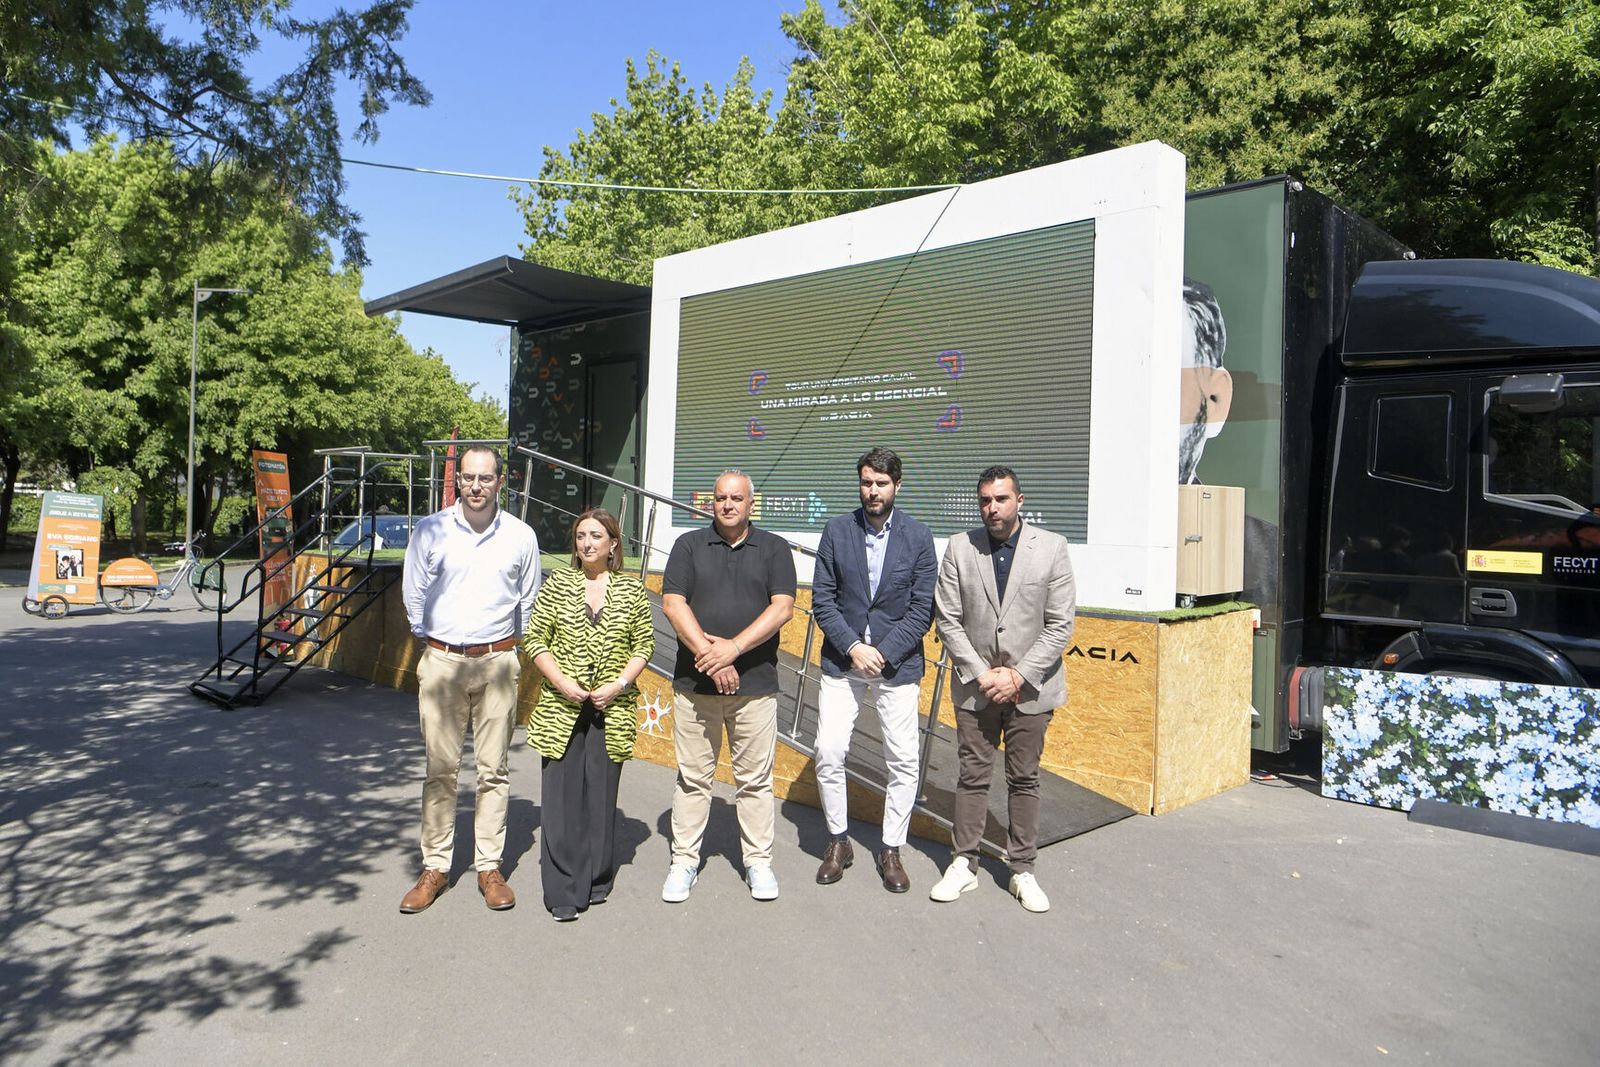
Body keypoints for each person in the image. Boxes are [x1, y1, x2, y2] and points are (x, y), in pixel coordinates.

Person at [398, 445, 541, 914]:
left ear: (502, 481)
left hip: (499, 662)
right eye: (468, 478)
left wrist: (502, 648)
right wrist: (438, 641)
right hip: (442, 664)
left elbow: (530, 601)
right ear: (458, 480)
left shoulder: (521, 536)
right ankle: (435, 867)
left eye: (486, 478)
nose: (476, 486)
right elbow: (413, 593)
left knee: (494, 772)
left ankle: (488, 867)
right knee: (440, 771)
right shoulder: (430, 530)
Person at [931, 465, 1076, 913]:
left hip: (1031, 690)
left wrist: (1017, 676)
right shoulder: (960, 547)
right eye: (985, 501)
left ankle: (1022, 870)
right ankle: (964, 863)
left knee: (1024, 778)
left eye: (1001, 499)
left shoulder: (1051, 548)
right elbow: (948, 619)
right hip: (977, 689)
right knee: (973, 776)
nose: (992, 508)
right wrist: (981, 674)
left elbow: (1060, 625)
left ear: (1020, 500)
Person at [659, 470, 796, 903]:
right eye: (720, 498)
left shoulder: (774, 548)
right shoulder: (688, 546)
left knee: (754, 781)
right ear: (711, 503)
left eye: (736, 497)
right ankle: (684, 861)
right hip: (695, 685)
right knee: (693, 778)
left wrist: (733, 649)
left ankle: (758, 862)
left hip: (755, 686)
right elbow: (672, 603)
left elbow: (784, 608)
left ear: (751, 503)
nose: (728, 504)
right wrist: (711, 656)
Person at [808, 447, 937, 892]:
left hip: (896, 665)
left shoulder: (919, 537)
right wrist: (853, 646)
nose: (873, 491)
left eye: (881, 483)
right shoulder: (837, 530)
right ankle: (839, 841)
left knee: (903, 760)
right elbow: (822, 599)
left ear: (897, 486)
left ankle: (890, 848)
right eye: (866, 482)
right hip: (843, 662)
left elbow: (923, 610)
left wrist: (881, 652)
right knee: (827, 750)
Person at [522, 509, 654, 922]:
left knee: (600, 795)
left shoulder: (631, 592)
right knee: (560, 801)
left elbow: (643, 645)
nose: (587, 543)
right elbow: (534, 638)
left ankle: (596, 876)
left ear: (614, 543)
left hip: (609, 709)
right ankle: (562, 887)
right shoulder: (558, 585)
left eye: (597, 536)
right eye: (581, 536)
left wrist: (618, 685)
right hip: (561, 707)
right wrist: (562, 683)